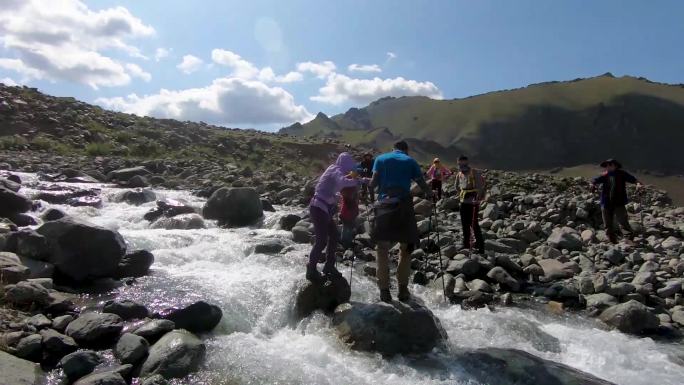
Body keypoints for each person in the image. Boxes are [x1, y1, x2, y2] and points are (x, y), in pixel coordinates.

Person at [369, 141, 432, 302]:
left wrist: (371, 199)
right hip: (404, 207)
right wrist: (430, 194)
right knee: (406, 248)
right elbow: (421, 183)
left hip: (384, 206)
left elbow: (372, 184)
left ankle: (384, 291)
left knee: (382, 248)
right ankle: (403, 290)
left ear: (393, 148)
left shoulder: (381, 159)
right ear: (406, 150)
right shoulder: (410, 161)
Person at [306, 152, 365, 282]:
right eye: (349, 168)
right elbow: (343, 181)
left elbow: (346, 180)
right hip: (318, 207)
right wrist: (356, 180)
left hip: (324, 209)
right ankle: (311, 269)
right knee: (321, 241)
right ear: (345, 165)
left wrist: (362, 179)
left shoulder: (338, 171)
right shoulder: (335, 169)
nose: (349, 171)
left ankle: (329, 266)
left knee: (334, 235)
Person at [591, 158, 642, 244]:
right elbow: (594, 180)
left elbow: (634, 180)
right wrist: (592, 184)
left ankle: (629, 238)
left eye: (610, 164)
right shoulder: (605, 175)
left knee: (622, 221)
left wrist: (638, 184)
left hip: (619, 202)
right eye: (606, 165)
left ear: (615, 165)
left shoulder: (622, 174)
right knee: (607, 223)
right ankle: (611, 240)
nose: (608, 166)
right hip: (606, 202)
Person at [454, 155, 486, 254]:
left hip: (473, 202)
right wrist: (462, 194)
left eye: (463, 163)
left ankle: (480, 247)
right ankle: (467, 244)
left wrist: (477, 198)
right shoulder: (459, 174)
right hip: (464, 202)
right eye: (460, 163)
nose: (461, 165)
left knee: (474, 224)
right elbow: (456, 186)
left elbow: (480, 186)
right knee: (465, 224)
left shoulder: (474, 173)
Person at [339, 182, 360, 249]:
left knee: (345, 228)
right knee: (349, 228)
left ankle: (344, 242)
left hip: (344, 214)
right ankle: (347, 243)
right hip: (349, 214)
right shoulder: (351, 194)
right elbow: (354, 204)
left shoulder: (345, 192)